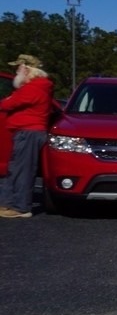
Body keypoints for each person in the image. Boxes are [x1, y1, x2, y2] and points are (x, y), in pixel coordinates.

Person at [0, 54, 55, 218]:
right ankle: (9, 204)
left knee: (21, 170)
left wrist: (10, 98)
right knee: (16, 169)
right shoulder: (38, 86)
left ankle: (20, 207)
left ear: (27, 69)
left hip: (29, 133)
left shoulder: (33, 88)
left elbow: (8, 103)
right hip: (27, 132)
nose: (16, 71)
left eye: (19, 67)